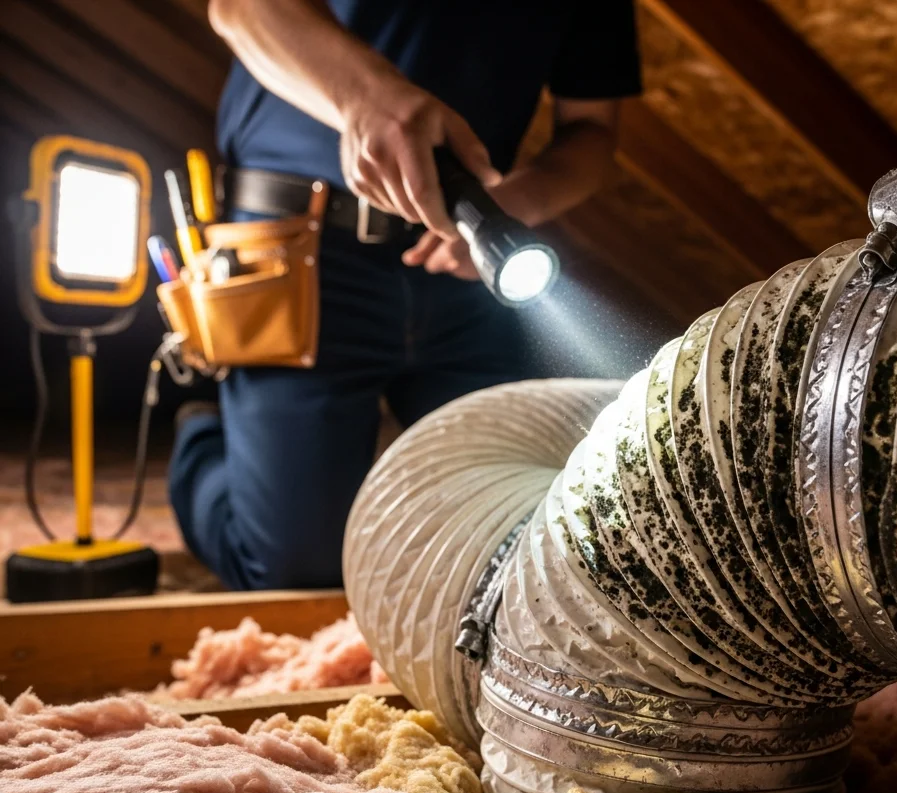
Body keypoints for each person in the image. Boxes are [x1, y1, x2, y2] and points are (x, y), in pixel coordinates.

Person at [170, 0, 641, 591]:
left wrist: (519, 205)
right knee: (295, 571)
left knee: (504, 552)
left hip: (470, 262)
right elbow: (240, 9)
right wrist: (365, 98)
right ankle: (203, 443)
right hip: (295, 252)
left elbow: (593, 131)